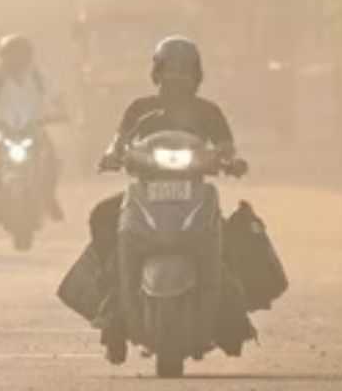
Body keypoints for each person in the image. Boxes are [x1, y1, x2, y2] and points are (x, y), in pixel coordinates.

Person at [87, 36, 238, 357]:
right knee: (103, 218)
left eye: (184, 71)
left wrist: (229, 160)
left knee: (227, 241)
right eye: (171, 70)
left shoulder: (208, 111)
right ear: (157, 72)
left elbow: (226, 147)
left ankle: (230, 317)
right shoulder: (139, 109)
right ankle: (112, 312)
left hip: (195, 191)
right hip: (145, 189)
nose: (177, 77)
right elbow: (118, 143)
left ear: (196, 74)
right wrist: (112, 156)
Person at [0, 34, 65, 221]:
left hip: (33, 129)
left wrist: (61, 113)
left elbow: (57, 98)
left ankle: (49, 197)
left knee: (51, 160)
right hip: (2, 130)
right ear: (3, 57)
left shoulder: (39, 78)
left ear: (28, 57)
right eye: (11, 55)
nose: (15, 60)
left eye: (20, 55)